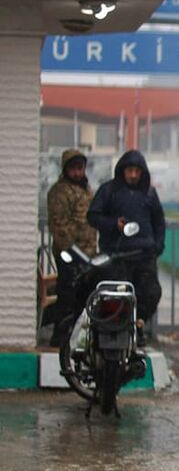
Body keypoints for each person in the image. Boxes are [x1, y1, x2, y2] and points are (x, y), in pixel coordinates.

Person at [86, 149, 165, 347]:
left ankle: (138, 326)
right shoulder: (108, 191)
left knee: (150, 292)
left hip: (143, 256)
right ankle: (108, 331)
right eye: (130, 170)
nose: (133, 175)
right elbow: (93, 216)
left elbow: (159, 221)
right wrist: (113, 224)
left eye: (137, 171)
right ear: (122, 170)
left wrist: (157, 246)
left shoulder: (149, 193)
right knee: (116, 298)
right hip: (115, 256)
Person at [46, 148, 98, 347]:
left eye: (81, 168)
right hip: (69, 253)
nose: (78, 172)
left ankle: (79, 336)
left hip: (88, 253)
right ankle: (61, 335)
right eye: (74, 168)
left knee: (85, 294)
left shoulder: (85, 190)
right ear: (66, 169)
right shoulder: (59, 192)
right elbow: (59, 225)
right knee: (67, 293)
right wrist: (73, 250)